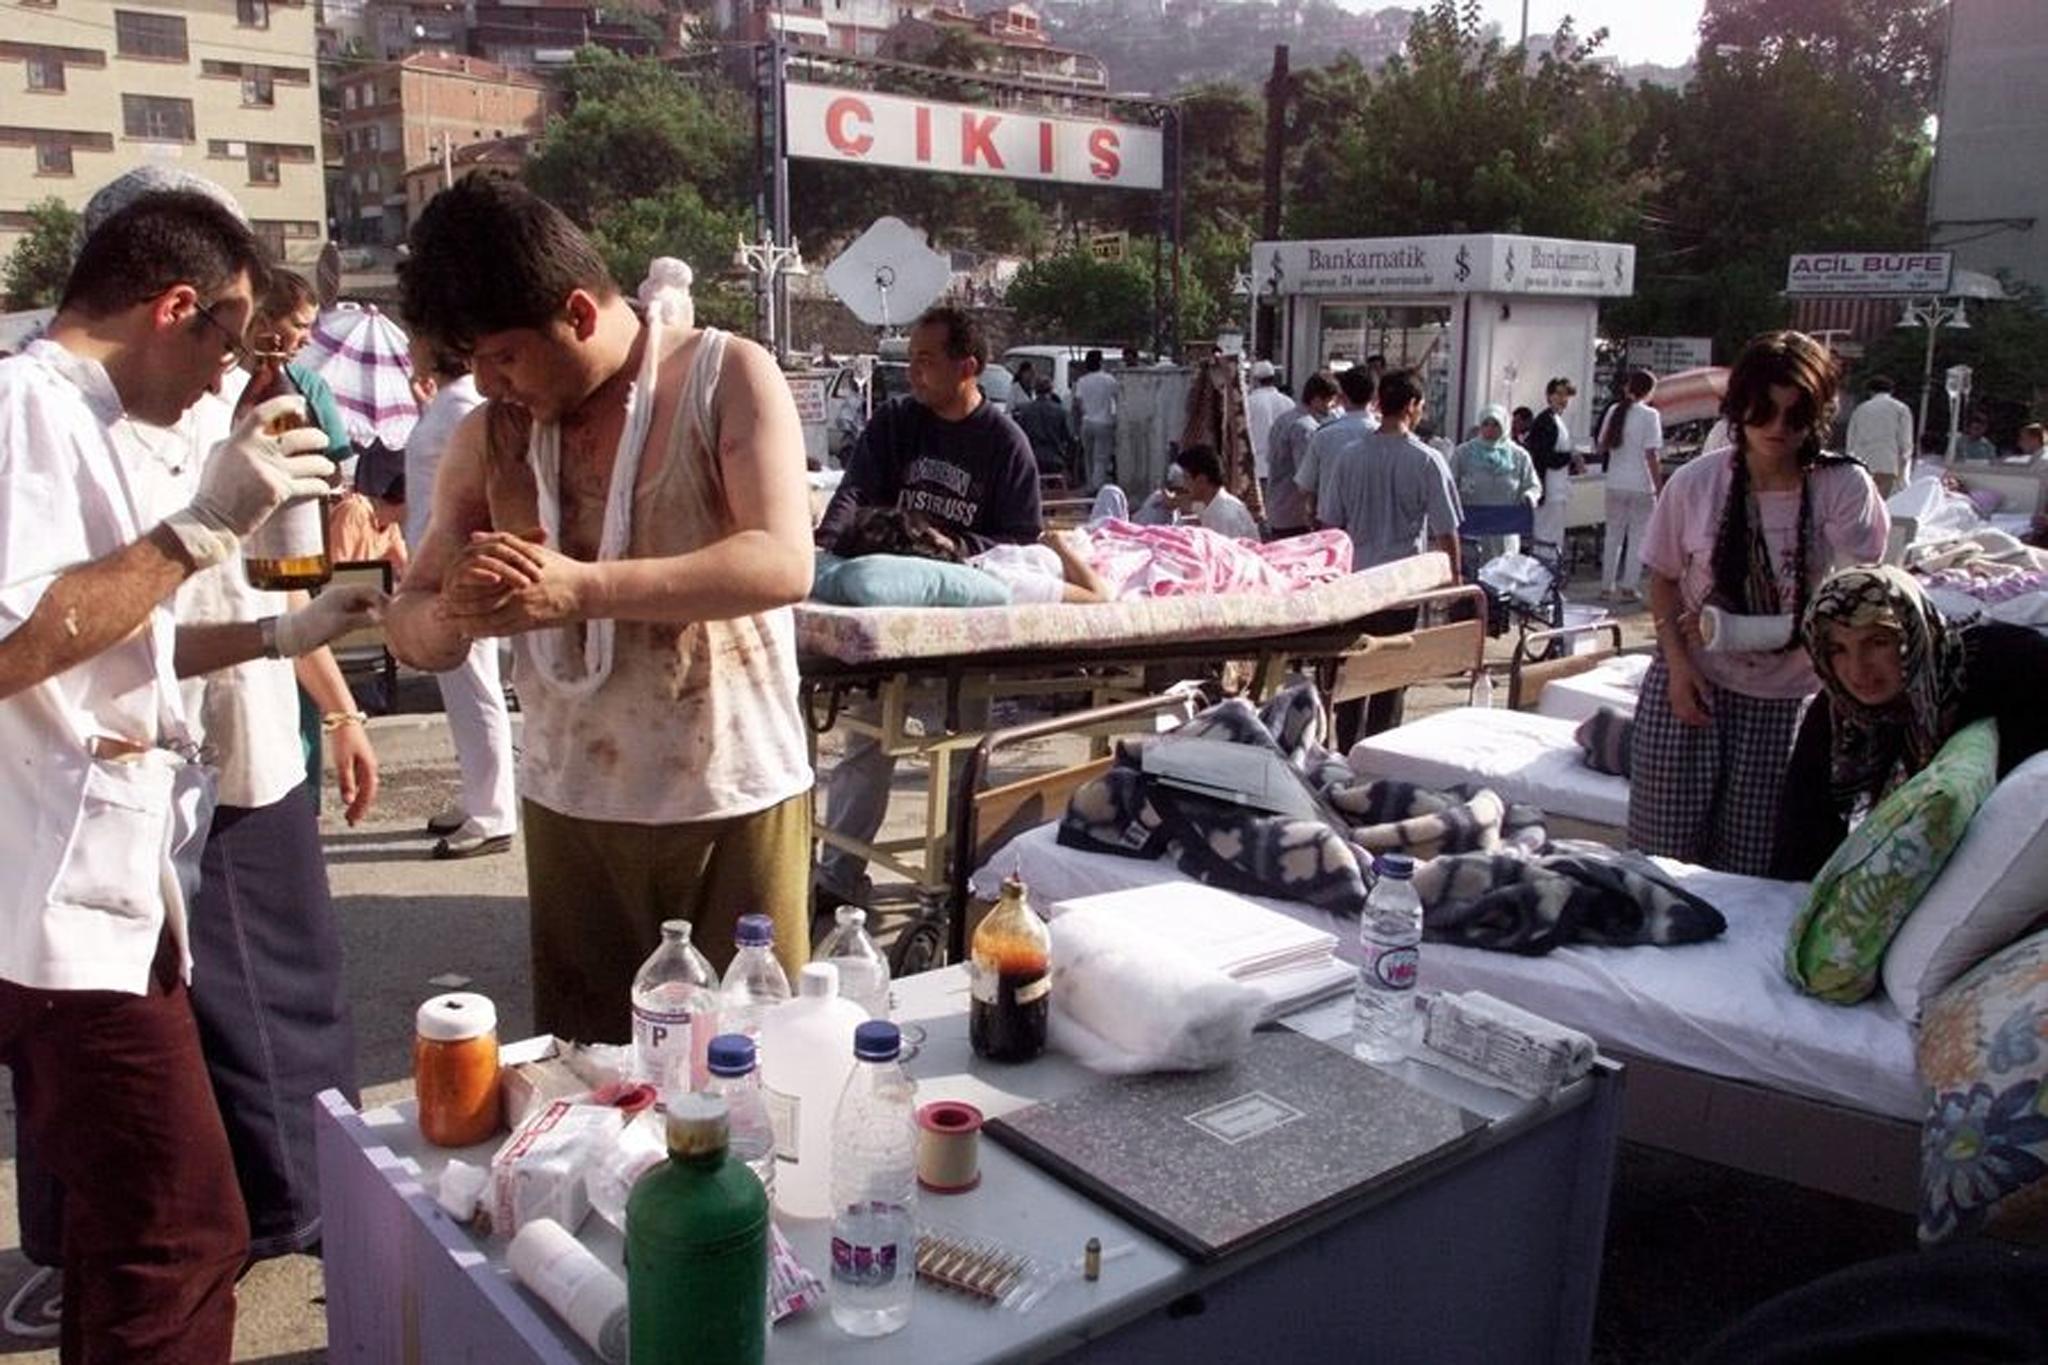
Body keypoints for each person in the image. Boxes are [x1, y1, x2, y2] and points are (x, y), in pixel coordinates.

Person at [0, 189, 367, 1359]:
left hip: (109, 884)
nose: (226, 380)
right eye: (230, 342)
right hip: (52, 901)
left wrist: (281, 639)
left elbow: (110, 633)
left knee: (144, 1225)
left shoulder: (87, 421)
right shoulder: (26, 411)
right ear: (175, 308)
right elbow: (14, 641)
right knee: (181, 1230)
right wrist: (202, 526)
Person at [384, 178, 816, 1041]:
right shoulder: (489, 434)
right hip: (572, 801)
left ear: (578, 313)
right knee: (589, 1072)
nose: (488, 381)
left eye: (504, 356)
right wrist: (456, 615)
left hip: (729, 794)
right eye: (473, 360)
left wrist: (580, 587)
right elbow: (411, 619)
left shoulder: (726, 376)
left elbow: (781, 559)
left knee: (748, 1064)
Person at [1627, 330, 1889, 877]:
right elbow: (1664, 579)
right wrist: (1677, 666)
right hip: (1692, 688)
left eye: (1795, 416)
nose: (1776, 428)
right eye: (1762, 410)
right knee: (1659, 862)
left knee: (1749, 870)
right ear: (1738, 405)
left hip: (1785, 698)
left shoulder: (1841, 486)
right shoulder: (1698, 483)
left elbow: (1853, 593)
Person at [812, 305, 1041, 910]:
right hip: (889, 620)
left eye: (924, 360)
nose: (911, 372)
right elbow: (854, 492)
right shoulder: (894, 423)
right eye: (909, 359)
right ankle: (838, 878)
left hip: (963, 628)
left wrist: (948, 548)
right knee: (865, 744)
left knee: (963, 753)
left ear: (967, 368)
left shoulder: (1003, 443)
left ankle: (956, 877)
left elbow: (1021, 542)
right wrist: (824, 555)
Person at [1771, 565, 2048, 880]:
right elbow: (1800, 839)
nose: (1857, 669)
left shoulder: (2006, 669)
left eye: (1877, 642)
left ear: (1913, 632)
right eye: (1838, 650)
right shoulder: (1839, 712)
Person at [1304, 367, 1463, 746]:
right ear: (1411, 406)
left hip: (1355, 586)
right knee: (1390, 683)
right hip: (1400, 589)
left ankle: (1342, 752)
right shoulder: (1426, 460)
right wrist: (1454, 578)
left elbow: (1329, 526)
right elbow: (1446, 529)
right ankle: (1378, 754)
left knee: (1351, 678)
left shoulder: (1348, 458)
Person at [404, 334, 517, 860]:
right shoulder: (448, 403)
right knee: (460, 687)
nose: (411, 347)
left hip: (457, 566)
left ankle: (493, 811)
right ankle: (479, 794)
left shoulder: (466, 406)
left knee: (475, 686)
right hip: (436, 562)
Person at [1596, 368, 1664, 602]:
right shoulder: (1650, 415)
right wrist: (1659, 485)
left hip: (1615, 481)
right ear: (1649, 391)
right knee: (1637, 536)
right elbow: (1651, 454)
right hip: (1641, 483)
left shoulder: (1615, 410)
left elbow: (1601, 446)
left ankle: (1606, 585)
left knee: (1612, 535)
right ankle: (1628, 586)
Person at [1450, 403, 1540, 561]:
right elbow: (1449, 486)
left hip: (1505, 529)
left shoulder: (1519, 456)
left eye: (1496, 424)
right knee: (1474, 575)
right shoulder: (1463, 453)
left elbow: (1533, 485)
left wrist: (1529, 496)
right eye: (1486, 424)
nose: (1490, 429)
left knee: (1502, 576)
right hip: (1474, 528)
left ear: (1505, 426)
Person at [1293, 365, 1377, 528]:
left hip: (1332, 526)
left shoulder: (1324, 434)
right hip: (1375, 526)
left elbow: (1304, 486)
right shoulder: (1384, 435)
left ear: (1342, 397)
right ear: (1375, 398)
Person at [1265, 372, 1339, 539]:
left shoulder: (1284, 419)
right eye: (1330, 401)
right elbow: (1307, 480)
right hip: (1296, 514)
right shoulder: (1306, 428)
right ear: (1316, 399)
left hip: (1278, 507)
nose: (1332, 406)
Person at [1525, 376, 1581, 552]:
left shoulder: (1557, 420)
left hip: (1558, 486)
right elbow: (1544, 456)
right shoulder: (1545, 421)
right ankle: (1542, 573)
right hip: (1548, 487)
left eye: (1566, 395)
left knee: (1554, 534)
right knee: (1545, 534)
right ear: (1549, 395)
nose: (1563, 399)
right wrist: (1570, 457)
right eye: (1558, 394)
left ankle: (1550, 572)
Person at [1170, 443, 1261, 539]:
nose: (1184, 485)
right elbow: (1195, 508)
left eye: (1186, 478)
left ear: (1201, 480)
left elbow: (1225, 553)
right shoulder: (1214, 503)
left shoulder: (1224, 515)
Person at [1845, 374, 1914, 496]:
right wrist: (1903, 467)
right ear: (1892, 390)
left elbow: (1851, 440)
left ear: (1870, 391)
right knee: (1883, 502)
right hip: (1889, 462)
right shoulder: (1901, 408)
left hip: (1863, 462)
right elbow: (1905, 442)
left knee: (1866, 502)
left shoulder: (1860, 409)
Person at [1244, 359, 1293, 506]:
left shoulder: (1249, 403)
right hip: (1284, 469)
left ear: (1255, 380)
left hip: (1257, 468)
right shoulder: (1288, 402)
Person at [1071, 348, 1121, 491]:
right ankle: (1096, 488)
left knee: (1088, 458)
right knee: (1101, 458)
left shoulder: (1082, 381)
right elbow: (1118, 399)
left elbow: (1078, 403)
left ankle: (1090, 484)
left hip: (1087, 422)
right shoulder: (1109, 380)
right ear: (1101, 362)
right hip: (1105, 422)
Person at [1012, 375, 1075, 479]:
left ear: (1035, 391)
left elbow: (1018, 436)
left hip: (1031, 457)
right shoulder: (1061, 412)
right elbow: (1069, 437)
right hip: (1055, 460)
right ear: (1051, 390)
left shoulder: (1025, 411)